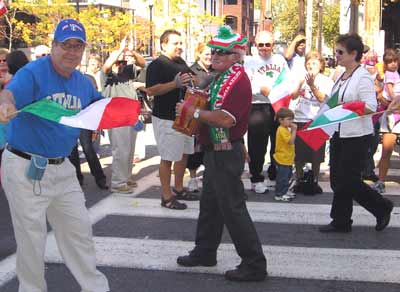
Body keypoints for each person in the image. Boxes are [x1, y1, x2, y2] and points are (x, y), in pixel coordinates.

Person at [0, 19, 109, 291]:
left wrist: (124, 112)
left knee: (79, 232)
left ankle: (96, 288)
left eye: (78, 46)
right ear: (53, 46)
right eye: (66, 45)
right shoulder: (33, 72)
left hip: (63, 168)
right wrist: (4, 104)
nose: (72, 52)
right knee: (31, 239)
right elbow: (9, 95)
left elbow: (98, 106)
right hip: (26, 166)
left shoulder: (82, 83)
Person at [176, 26, 267, 282]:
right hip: (216, 149)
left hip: (226, 151)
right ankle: (205, 251)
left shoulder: (237, 81)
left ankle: (254, 263)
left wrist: (191, 112)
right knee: (211, 205)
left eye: (223, 53)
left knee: (232, 208)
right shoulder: (221, 76)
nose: (215, 55)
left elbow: (225, 120)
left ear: (236, 56)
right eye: (214, 51)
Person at [319, 33, 393, 233]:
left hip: (357, 135)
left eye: (340, 52)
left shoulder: (362, 77)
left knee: (349, 180)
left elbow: (370, 106)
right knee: (337, 179)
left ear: (354, 54)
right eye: (336, 51)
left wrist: (346, 106)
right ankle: (341, 220)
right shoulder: (341, 76)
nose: (337, 55)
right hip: (339, 132)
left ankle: (381, 206)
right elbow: (332, 101)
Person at [145, 29, 198, 210]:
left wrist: (195, 80)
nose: (180, 47)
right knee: (168, 158)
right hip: (165, 117)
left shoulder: (181, 62)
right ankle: (166, 197)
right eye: (175, 43)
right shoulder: (156, 65)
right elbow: (151, 90)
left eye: (181, 43)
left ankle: (179, 188)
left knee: (183, 154)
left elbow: (194, 78)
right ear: (163, 45)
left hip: (184, 117)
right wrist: (174, 84)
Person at [244, 30, 289, 193]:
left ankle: (274, 174)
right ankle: (256, 178)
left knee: (278, 143)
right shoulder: (249, 62)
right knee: (257, 145)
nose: (264, 48)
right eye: (260, 44)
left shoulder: (279, 60)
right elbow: (246, 84)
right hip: (257, 106)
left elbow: (287, 81)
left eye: (267, 45)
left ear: (273, 45)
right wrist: (260, 89)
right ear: (255, 45)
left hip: (278, 105)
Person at [102, 37, 145, 194]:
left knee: (129, 150)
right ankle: (118, 182)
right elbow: (106, 66)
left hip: (131, 116)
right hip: (116, 118)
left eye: (123, 63)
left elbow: (142, 64)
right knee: (120, 150)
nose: (121, 65)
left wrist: (131, 52)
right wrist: (120, 50)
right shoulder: (108, 77)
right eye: (118, 63)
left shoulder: (128, 75)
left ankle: (126, 177)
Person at [292, 51, 333, 194]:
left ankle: (315, 179)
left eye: (314, 63)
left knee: (316, 153)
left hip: (317, 120)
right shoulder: (302, 78)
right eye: (308, 63)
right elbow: (293, 96)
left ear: (321, 65)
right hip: (300, 119)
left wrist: (313, 85)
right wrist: (300, 84)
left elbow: (323, 99)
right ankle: (298, 178)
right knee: (298, 154)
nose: (311, 66)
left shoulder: (326, 81)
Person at [69, 74, 109, 190]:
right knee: (72, 151)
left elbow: (97, 99)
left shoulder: (86, 80)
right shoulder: (66, 81)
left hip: (84, 120)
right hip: (72, 120)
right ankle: (77, 179)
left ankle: (100, 178)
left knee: (88, 148)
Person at [186, 43, 215, 192]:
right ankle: (191, 178)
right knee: (194, 150)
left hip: (211, 115)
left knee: (209, 147)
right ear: (198, 54)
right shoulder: (191, 71)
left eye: (211, 54)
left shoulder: (216, 70)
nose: (209, 57)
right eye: (206, 54)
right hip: (195, 114)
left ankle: (208, 177)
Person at [373, 49, 400, 193]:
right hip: (391, 114)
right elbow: (384, 97)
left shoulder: (395, 75)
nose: (393, 64)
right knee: (387, 150)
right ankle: (381, 181)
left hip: (393, 111)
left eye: (396, 61)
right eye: (390, 62)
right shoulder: (387, 76)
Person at [273, 108, 297, 201]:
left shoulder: (286, 129)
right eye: (288, 119)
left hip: (288, 158)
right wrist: (294, 130)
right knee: (282, 177)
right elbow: (290, 141)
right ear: (281, 120)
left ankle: (285, 190)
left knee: (287, 176)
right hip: (282, 158)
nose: (291, 122)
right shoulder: (281, 129)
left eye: (292, 119)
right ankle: (279, 194)